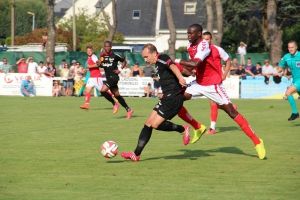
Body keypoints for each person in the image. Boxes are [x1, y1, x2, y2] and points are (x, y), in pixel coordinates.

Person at [177, 23, 266, 160]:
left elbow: (198, 63)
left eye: (191, 33)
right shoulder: (190, 47)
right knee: (174, 99)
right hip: (199, 83)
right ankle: (198, 127)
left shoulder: (207, 46)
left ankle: (257, 141)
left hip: (213, 85)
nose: (188, 36)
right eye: (187, 33)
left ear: (200, 34)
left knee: (232, 112)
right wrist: (189, 72)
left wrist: (177, 62)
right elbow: (194, 67)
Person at [121, 43, 190, 161]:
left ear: (153, 53)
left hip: (174, 98)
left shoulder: (162, 58)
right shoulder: (157, 64)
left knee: (155, 125)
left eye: (146, 57)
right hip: (167, 97)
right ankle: (136, 154)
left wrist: (180, 78)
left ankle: (183, 129)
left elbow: (172, 65)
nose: (145, 60)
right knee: (148, 123)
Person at [201, 31, 232, 134]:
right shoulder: (200, 51)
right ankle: (231, 107)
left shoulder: (218, 50)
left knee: (213, 103)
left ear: (211, 40)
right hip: (207, 81)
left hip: (216, 81)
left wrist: (225, 74)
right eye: (204, 39)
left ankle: (212, 128)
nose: (205, 41)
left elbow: (228, 60)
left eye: (207, 39)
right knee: (215, 103)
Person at [97, 41, 133, 119]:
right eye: (105, 46)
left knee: (103, 90)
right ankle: (129, 110)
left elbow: (124, 61)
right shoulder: (102, 56)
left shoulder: (115, 55)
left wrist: (120, 69)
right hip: (108, 77)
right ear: (104, 47)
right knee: (117, 95)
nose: (107, 48)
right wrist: (99, 63)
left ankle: (114, 104)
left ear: (111, 47)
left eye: (108, 46)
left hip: (114, 77)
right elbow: (102, 65)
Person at [277, 40, 300, 121]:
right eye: (289, 47)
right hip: (295, 80)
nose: (290, 49)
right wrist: (279, 71)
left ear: (296, 47)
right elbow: (280, 67)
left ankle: (295, 113)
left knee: (288, 92)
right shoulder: (286, 57)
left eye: (292, 47)